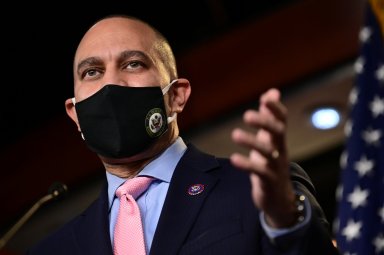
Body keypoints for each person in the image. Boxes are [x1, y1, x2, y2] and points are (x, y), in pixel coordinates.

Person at [27, 15, 339, 255]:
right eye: (92, 72)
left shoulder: (260, 191)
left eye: (133, 64)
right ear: (75, 114)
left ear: (176, 95)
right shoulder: (53, 249)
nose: (113, 85)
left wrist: (287, 222)